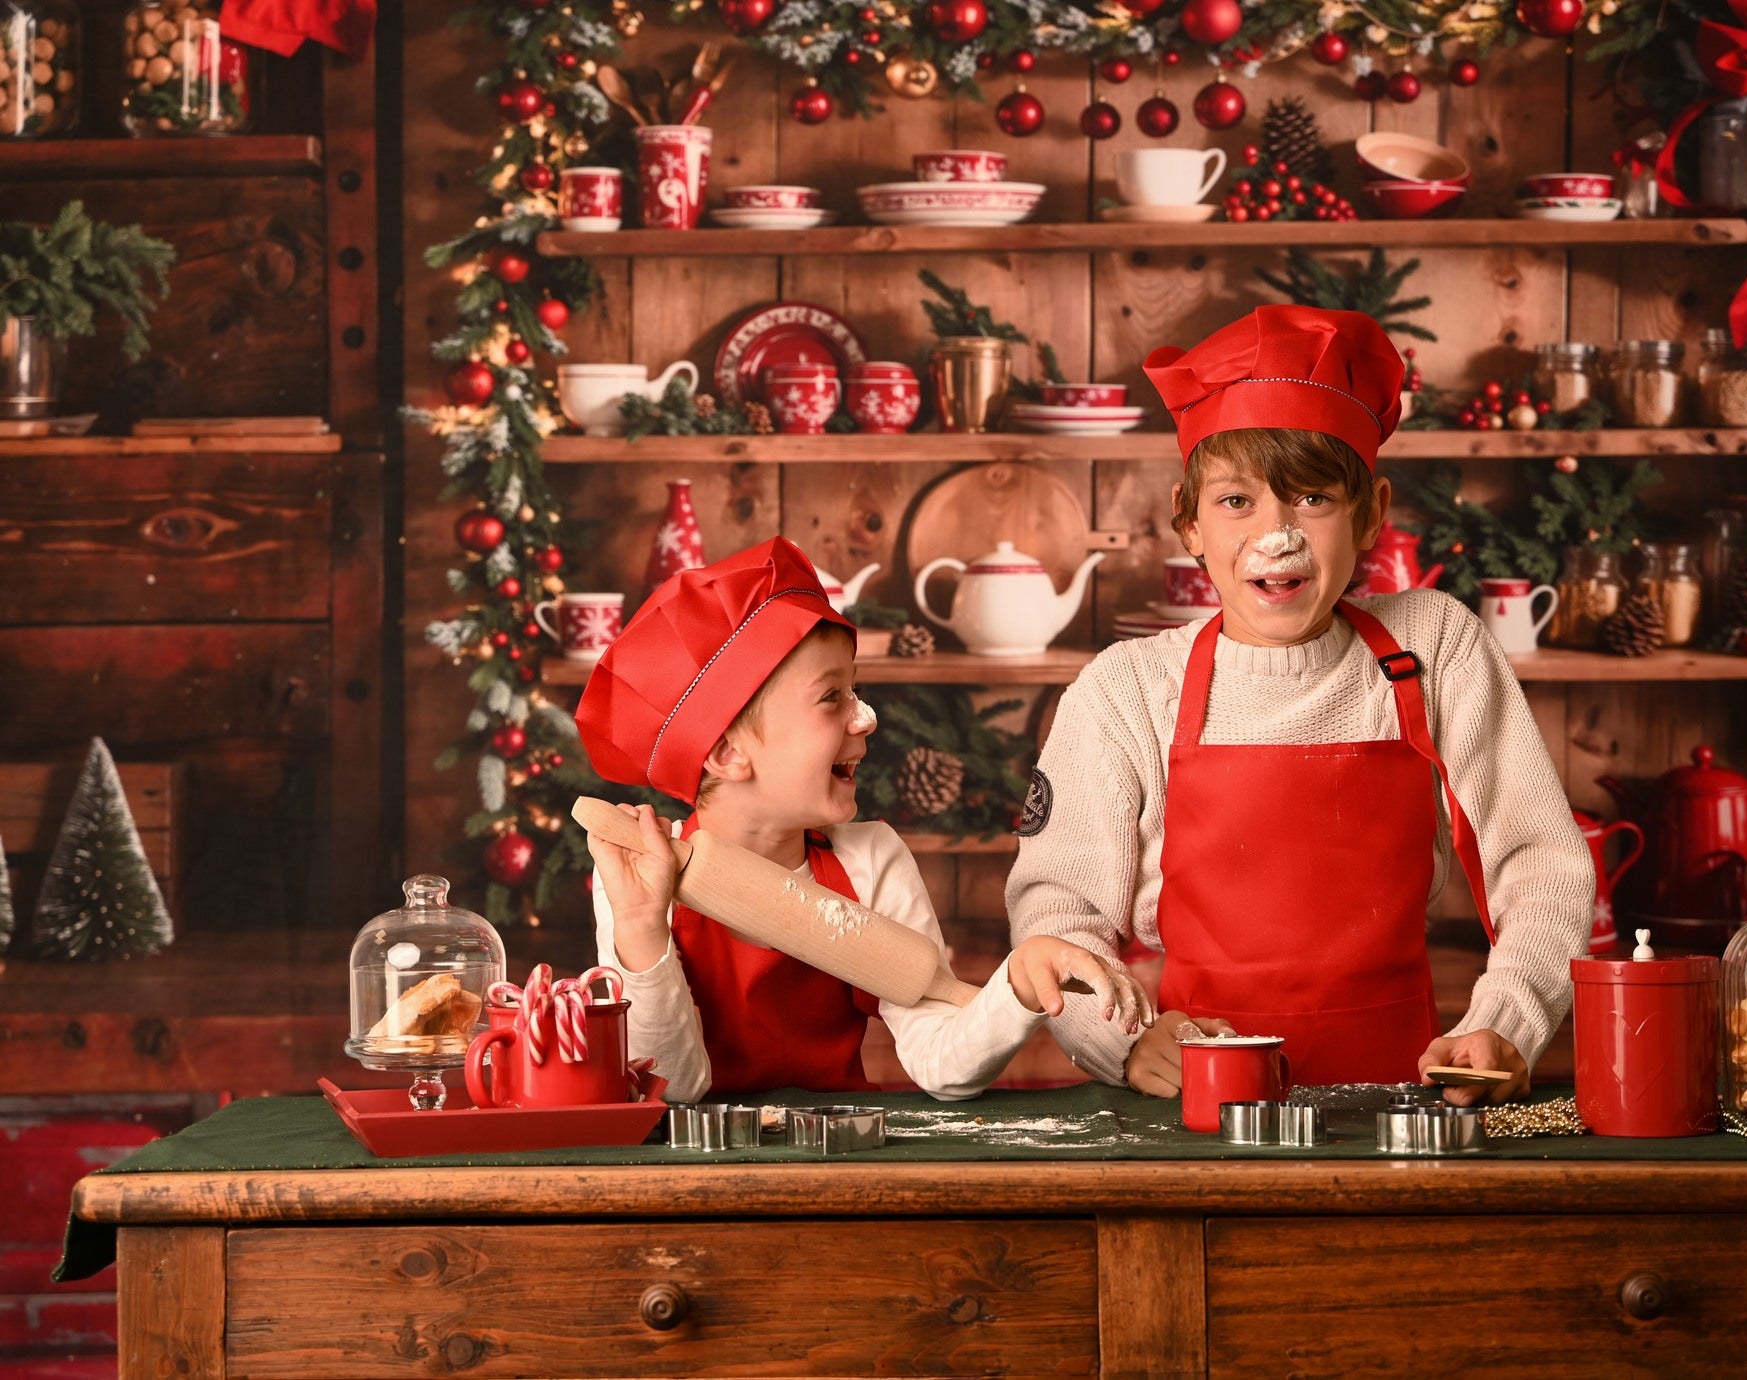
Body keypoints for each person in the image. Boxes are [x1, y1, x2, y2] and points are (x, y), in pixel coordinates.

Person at [1007, 305, 1594, 1106]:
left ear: (1372, 513)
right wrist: (1124, 1041)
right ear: (1189, 522)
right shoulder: (1128, 689)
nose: (1276, 537)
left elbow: (1542, 861)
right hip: (1198, 1102)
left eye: (1313, 499)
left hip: (1400, 1098)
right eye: (1237, 503)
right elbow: (1058, 911)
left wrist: (1509, 1021)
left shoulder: (1431, 647)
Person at [577, 536, 1151, 1102]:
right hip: (693, 1181)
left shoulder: (869, 859)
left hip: (842, 1160)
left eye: (858, 691)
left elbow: (940, 1061)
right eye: (832, 698)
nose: (866, 719)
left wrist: (1016, 987)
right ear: (727, 752)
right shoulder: (644, 877)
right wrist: (640, 927)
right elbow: (672, 1091)